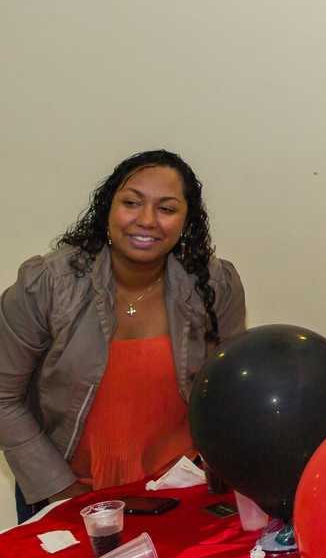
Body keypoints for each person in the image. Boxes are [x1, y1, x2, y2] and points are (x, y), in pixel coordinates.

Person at [0, 149, 246, 522]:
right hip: (64, 491)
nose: (146, 220)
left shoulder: (215, 285)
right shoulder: (47, 285)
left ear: (187, 220)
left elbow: (231, 392)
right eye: (132, 203)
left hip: (180, 490)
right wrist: (63, 492)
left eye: (166, 209)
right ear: (107, 208)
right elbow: (4, 398)